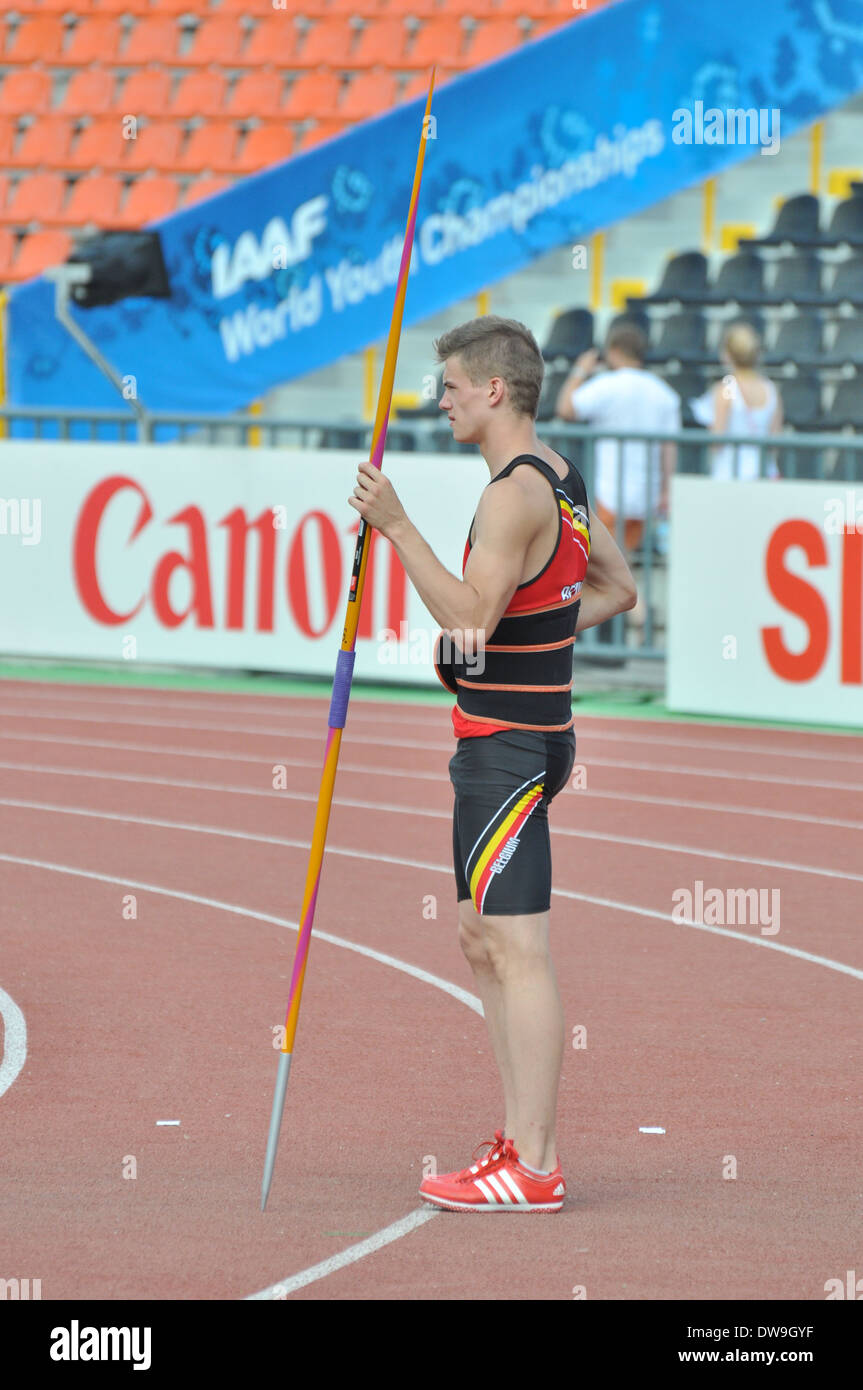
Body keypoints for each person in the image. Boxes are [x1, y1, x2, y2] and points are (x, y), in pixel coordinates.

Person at [348, 316, 636, 1212]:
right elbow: (612, 590)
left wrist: (395, 528)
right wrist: (526, 640)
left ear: (494, 392)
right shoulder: (562, 476)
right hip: (509, 738)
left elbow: (469, 615)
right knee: (479, 938)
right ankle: (517, 1141)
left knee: (516, 948)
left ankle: (536, 1166)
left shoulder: (513, 494)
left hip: (510, 746)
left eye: (451, 388)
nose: (441, 403)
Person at [554, 321, 680, 554]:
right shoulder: (664, 393)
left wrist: (581, 370)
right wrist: (665, 490)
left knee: (608, 569)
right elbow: (669, 447)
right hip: (647, 493)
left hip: (610, 493)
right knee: (625, 563)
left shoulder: (606, 385)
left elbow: (565, 408)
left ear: (614, 351)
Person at [708, 322, 783, 480]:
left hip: (730, 473)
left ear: (727, 355)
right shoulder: (770, 388)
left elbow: (717, 440)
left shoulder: (727, 387)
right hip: (764, 472)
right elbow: (775, 441)